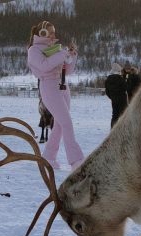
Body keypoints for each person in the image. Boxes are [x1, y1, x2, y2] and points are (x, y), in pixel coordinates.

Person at [27, 20, 84, 169]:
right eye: (50, 32)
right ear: (42, 33)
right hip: (49, 87)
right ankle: (76, 160)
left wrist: (72, 56)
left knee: (59, 125)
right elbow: (43, 66)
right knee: (67, 122)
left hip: (63, 86)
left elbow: (67, 70)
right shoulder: (34, 50)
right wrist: (62, 54)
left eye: (54, 31)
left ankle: (48, 158)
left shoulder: (56, 49)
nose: (53, 35)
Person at [104, 62, 128, 127]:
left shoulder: (108, 80)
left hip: (114, 99)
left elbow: (107, 91)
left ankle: (113, 129)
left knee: (115, 115)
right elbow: (125, 88)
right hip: (122, 99)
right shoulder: (121, 79)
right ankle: (123, 129)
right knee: (124, 115)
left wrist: (112, 97)